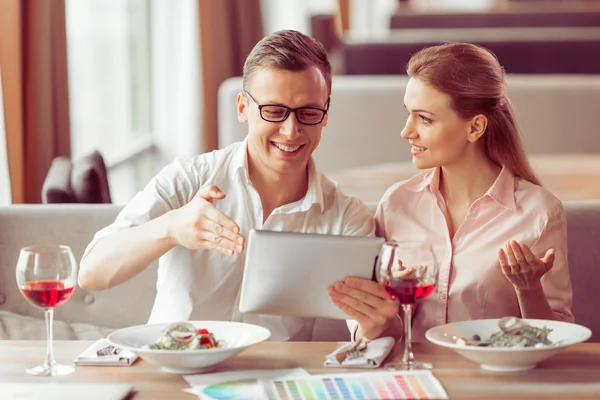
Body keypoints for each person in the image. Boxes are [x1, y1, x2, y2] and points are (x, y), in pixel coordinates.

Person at [78, 30, 374, 341]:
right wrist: (171, 227)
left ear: (326, 113)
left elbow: (363, 332)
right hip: (174, 368)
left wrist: (374, 326)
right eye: (274, 111)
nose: (291, 131)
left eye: (309, 113)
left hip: (274, 377)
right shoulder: (188, 179)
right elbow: (91, 273)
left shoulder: (346, 217)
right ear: (243, 108)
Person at [329, 42, 574, 342]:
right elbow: (386, 336)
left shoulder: (539, 212)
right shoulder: (396, 203)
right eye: (408, 114)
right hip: (414, 381)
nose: (407, 131)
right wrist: (385, 309)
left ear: (475, 128)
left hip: (492, 384)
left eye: (425, 118)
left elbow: (556, 337)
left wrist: (529, 288)